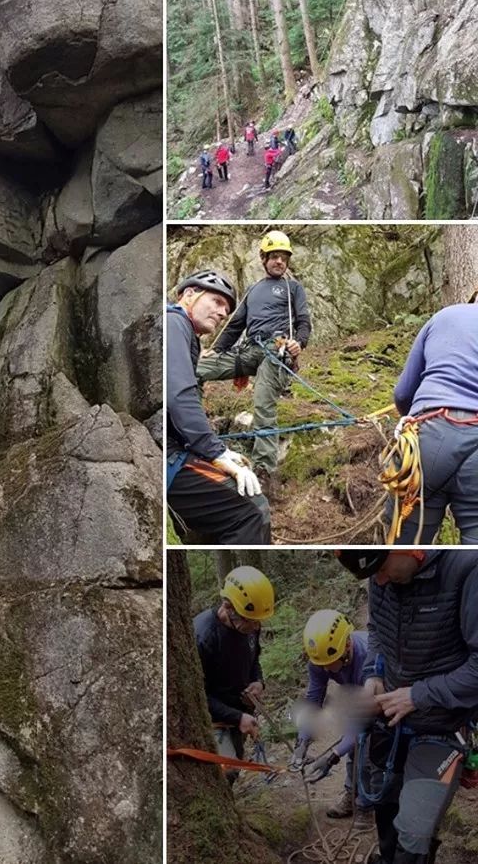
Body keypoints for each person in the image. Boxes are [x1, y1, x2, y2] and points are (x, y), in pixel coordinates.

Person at [336, 548, 478, 864]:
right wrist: (373, 673)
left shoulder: (466, 569)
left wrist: (417, 695)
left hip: (442, 726)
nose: (380, 581)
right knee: (386, 808)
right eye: (373, 575)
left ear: (410, 549)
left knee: (414, 831)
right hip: (392, 720)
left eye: (383, 568)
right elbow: (377, 634)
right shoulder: (378, 572)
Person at [196, 230, 312, 496]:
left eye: (284, 257)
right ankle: (194, 428)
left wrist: (299, 343)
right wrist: (215, 350)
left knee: (263, 405)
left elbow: (303, 322)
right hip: (249, 349)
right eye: (274, 256)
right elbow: (235, 325)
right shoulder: (252, 291)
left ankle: (264, 472)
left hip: (277, 350)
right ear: (264, 259)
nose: (279, 262)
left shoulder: (293, 288)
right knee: (194, 368)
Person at [166, 270, 271, 544]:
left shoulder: (181, 330)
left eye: (226, 308)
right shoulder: (175, 322)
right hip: (167, 460)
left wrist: (216, 451)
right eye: (216, 301)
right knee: (253, 510)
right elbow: (179, 396)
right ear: (189, 294)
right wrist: (217, 453)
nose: (222, 312)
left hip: (171, 453)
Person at [384, 296, 478, 543]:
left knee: (404, 542)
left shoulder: (444, 316)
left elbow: (403, 393)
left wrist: (409, 414)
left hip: (430, 434)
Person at [291, 610, 374, 825]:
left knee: (367, 749)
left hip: (382, 694)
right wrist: (302, 740)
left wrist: (332, 756)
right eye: (322, 664)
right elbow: (313, 699)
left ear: (347, 645)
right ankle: (351, 793)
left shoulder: (369, 656)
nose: (326, 668)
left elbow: (363, 721)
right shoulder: (320, 659)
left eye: (332, 661)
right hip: (355, 693)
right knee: (354, 748)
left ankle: (366, 804)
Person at [194, 565, 275, 780]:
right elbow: (197, 695)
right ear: (228, 607)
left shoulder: (250, 625)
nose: (255, 627)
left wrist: (258, 681)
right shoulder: (204, 637)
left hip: (238, 713)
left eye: (258, 621)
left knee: (235, 768)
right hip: (214, 718)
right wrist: (237, 717)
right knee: (225, 773)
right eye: (250, 621)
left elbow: (253, 660)